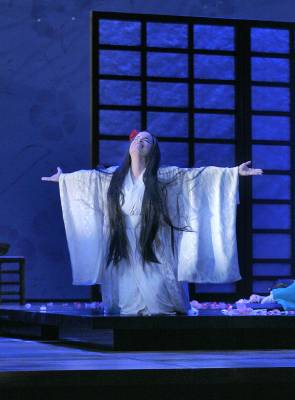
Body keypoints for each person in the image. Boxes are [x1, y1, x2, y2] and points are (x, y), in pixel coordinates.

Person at [42, 130, 263, 315]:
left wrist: (233, 173)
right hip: (124, 241)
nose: (141, 141)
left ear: (153, 151)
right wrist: (63, 179)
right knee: (127, 298)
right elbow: (87, 180)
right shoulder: (112, 177)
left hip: (154, 239)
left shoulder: (164, 175)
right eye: (138, 139)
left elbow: (197, 177)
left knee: (159, 297)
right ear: (130, 147)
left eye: (146, 140)